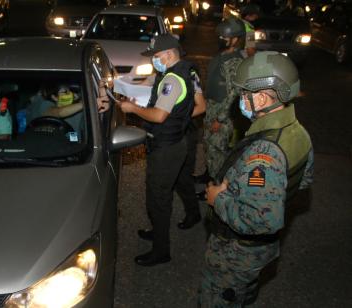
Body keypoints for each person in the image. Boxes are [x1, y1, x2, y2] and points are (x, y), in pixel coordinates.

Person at [198, 51, 314, 306]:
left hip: (237, 255)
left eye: (243, 94)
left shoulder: (265, 154)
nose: (239, 99)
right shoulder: (298, 133)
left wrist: (219, 199)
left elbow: (263, 220)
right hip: (260, 253)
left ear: (261, 98)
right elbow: (301, 183)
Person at [118, 34, 196, 266]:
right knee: (162, 194)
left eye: (156, 55)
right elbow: (166, 109)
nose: (154, 60)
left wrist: (132, 108)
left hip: (166, 148)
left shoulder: (172, 80)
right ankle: (158, 232)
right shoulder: (180, 73)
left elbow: (160, 116)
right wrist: (142, 107)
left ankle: (161, 250)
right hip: (173, 142)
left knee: (158, 199)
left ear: (170, 54)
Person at [204, 17, 246, 182]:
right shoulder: (221, 55)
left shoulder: (234, 62)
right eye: (220, 36)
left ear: (235, 39)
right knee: (209, 149)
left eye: (225, 37)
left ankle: (218, 191)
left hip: (222, 114)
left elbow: (234, 94)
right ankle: (210, 180)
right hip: (212, 108)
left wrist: (220, 120)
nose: (221, 39)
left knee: (218, 152)